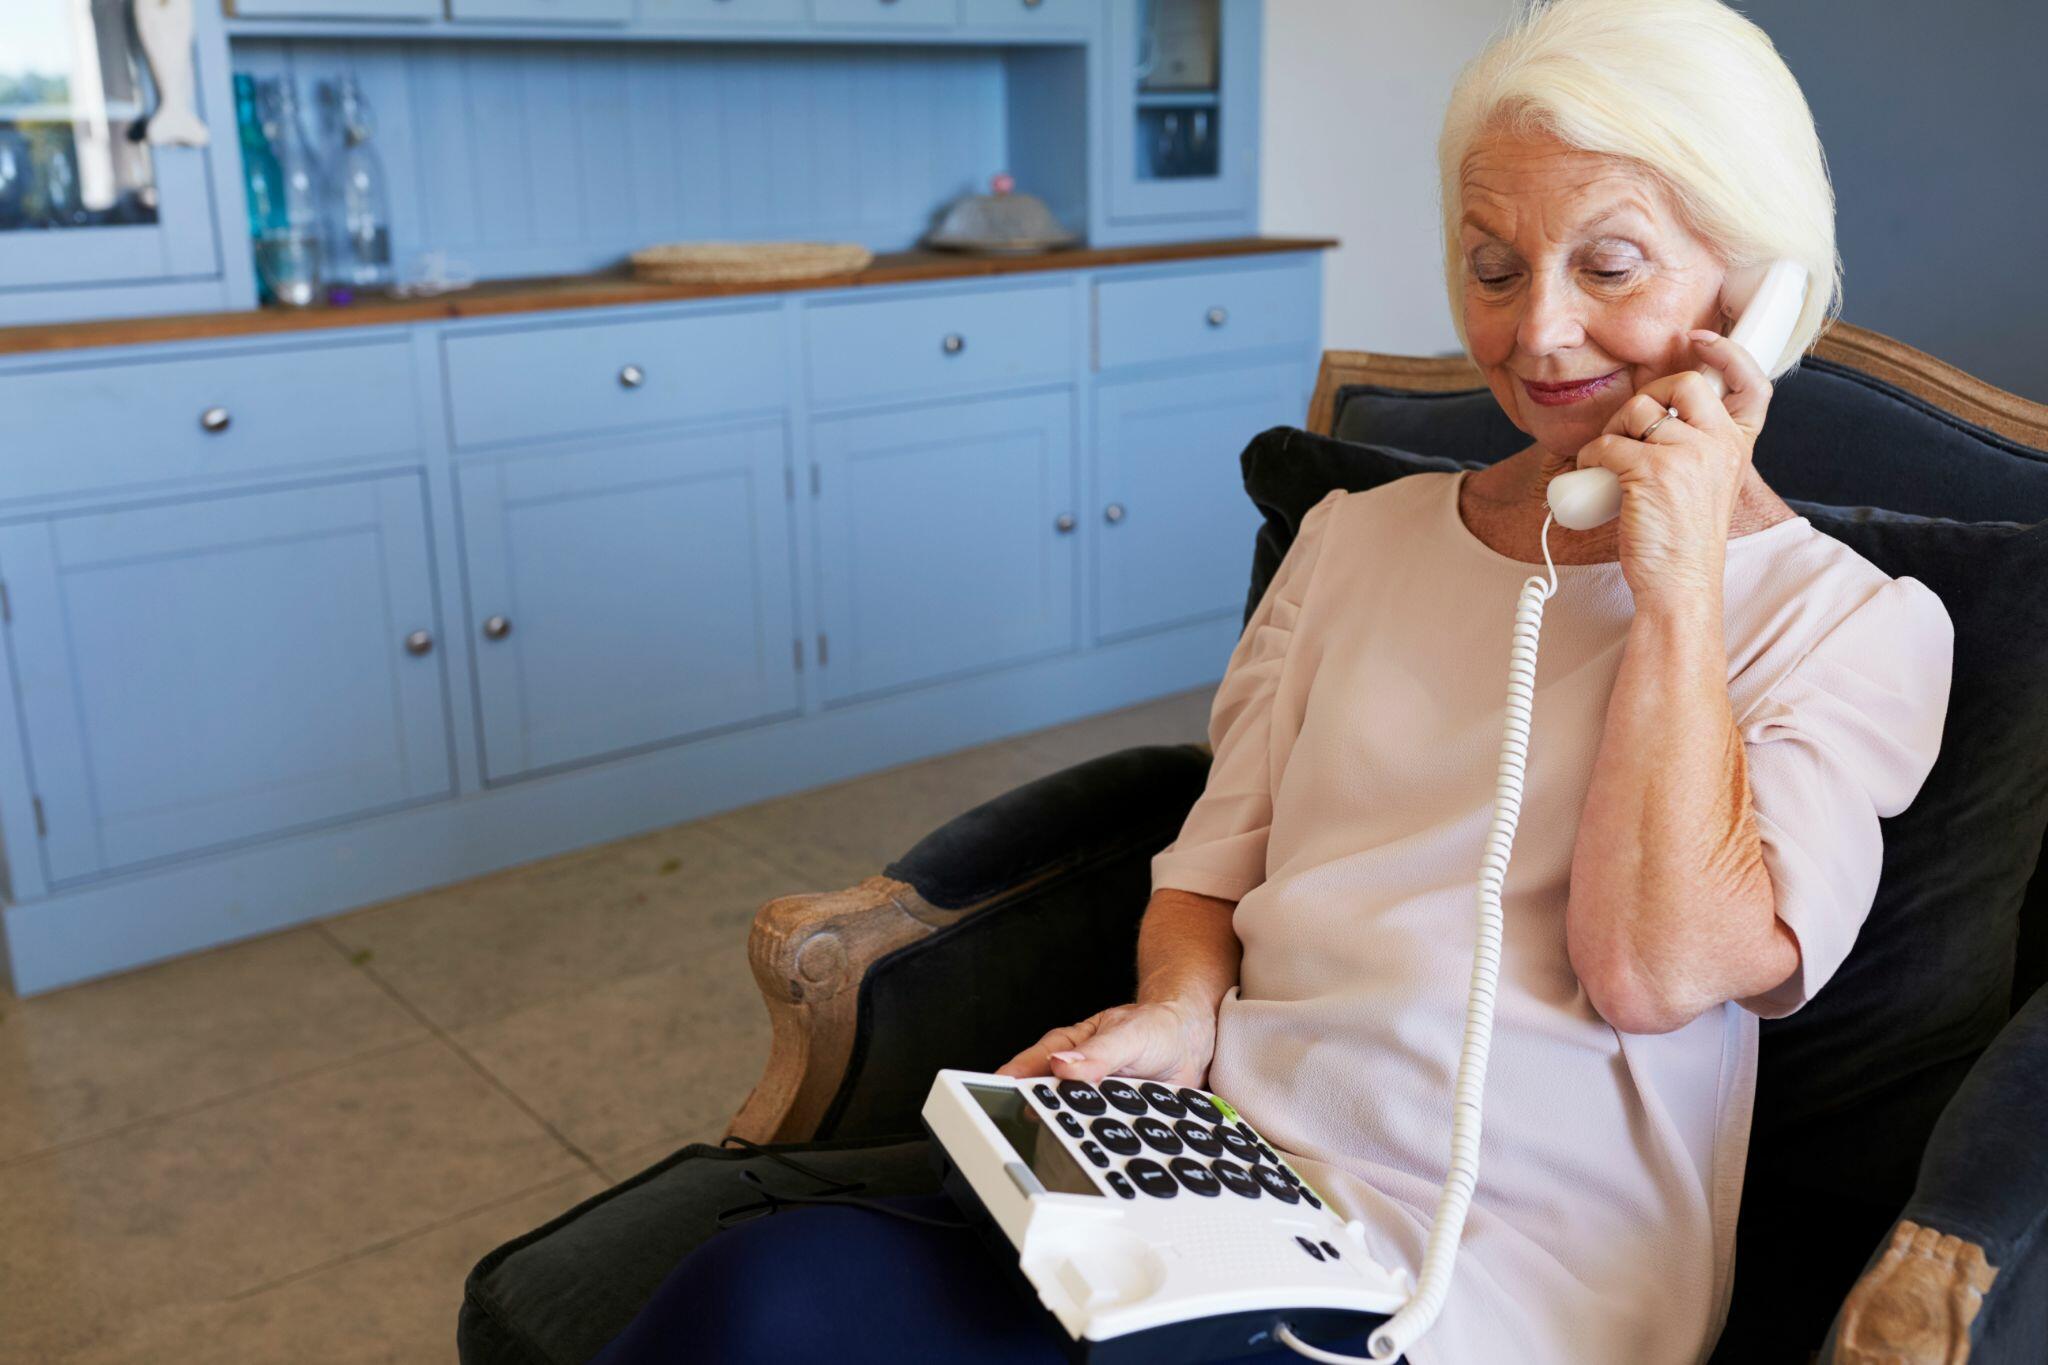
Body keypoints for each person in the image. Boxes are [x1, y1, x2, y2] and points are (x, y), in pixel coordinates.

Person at [589, 1, 1953, 1360]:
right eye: (1491, 265)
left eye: (1609, 266)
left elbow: (1653, 971)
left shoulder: (1855, 628)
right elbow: (1210, 862)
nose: (1538, 334)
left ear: (1753, 292)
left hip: (1492, 1278)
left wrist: (1674, 587)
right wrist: (1179, 1011)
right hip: (1225, 1180)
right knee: (752, 1297)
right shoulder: (1353, 540)